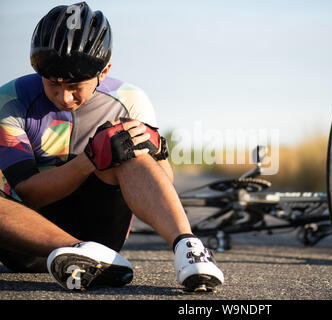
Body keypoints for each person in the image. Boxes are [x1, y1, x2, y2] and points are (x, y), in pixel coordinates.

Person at [0, 2, 224, 292]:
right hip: (27, 243)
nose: (64, 97)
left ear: (103, 71)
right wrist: (90, 159)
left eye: (75, 85)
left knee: (127, 150)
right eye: (53, 83)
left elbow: (161, 180)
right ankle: (84, 254)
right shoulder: (11, 100)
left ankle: (188, 248)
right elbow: (28, 193)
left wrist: (158, 153)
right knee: (110, 149)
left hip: (101, 227)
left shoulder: (129, 100)